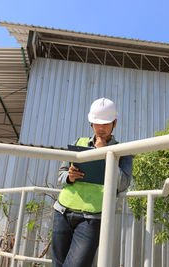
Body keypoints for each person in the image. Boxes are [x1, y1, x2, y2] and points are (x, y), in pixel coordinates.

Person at [51, 98, 133, 267]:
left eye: (105, 123)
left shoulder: (123, 151)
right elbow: (60, 175)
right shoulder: (78, 143)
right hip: (63, 212)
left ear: (114, 123)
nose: (101, 128)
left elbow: (123, 184)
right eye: (96, 123)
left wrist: (105, 154)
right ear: (91, 123)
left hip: (92, 218)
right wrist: (69, 176)